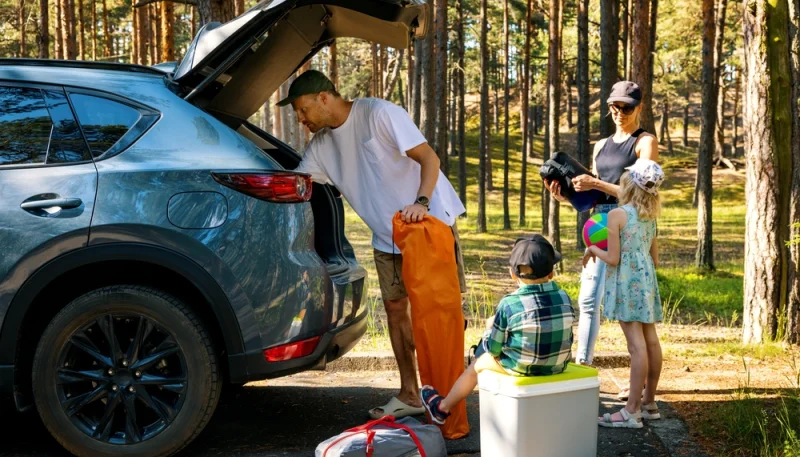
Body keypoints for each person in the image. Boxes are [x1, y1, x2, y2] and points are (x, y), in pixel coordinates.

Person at [281, 70, 467, 419]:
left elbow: (430, 159)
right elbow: (297, 184)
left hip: (429, 225)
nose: (300, 118)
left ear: (324, 97)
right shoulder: (321, 147)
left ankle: (450, 396)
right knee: (397, 312)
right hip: (387, 238)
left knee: (440, 315)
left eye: (302, 109)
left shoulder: (380, 114)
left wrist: (421, 203)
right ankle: (411, 394)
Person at [544, 81, 659, 378]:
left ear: (639, 108)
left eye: (627, 107)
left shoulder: (644, 141)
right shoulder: (600, 146)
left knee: (632, 313)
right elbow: (594, 197)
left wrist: (595, 183)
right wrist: (566, 195)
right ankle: (583, 366)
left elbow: (643, 192)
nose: (620, 113)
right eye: (615, 107)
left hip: (630, 221)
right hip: (599, 222)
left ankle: (641, 394)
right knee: (589, 299)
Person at [418, 234, 574, 424]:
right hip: (557, 366)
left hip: (522, 368)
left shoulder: (509, 304)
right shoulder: (564, 296)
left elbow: (494, 349)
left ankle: (442, 408)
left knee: (477, 365)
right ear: (551, 274)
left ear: (513, 274)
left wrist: (488, 330)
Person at [583, 158, 664, 428]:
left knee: (636, 346)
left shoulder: (618, 215)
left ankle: (631, 411)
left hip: (626, 285)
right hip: (646, 282)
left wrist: (592, 249)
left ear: (629, 183)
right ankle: (649, 403)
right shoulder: (650, 217)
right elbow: (654, 259)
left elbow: (614, 258)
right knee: (651, 340)